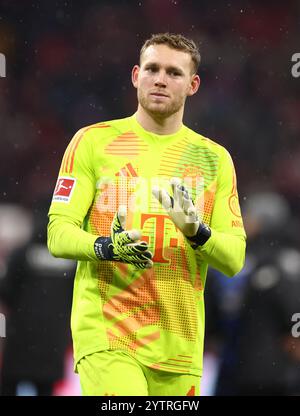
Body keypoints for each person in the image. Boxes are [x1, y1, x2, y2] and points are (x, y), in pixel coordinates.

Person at [47, 33, 246, 396]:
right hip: (109, 334)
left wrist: (196, 232)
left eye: (174, 72)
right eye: (152, 69)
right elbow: (58, 234)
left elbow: (233, 259)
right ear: (136, 75)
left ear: (193, 85)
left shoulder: (215, 159)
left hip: (180, 344)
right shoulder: (93, 141)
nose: (160, 79)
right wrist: (107, 247)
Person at [0, 198, 75, 396]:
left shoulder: (22, 255)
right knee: (46, 390)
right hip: (53, 343)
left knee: (9, 388)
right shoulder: (72, 261)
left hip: (20, 341)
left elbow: (6, 293)